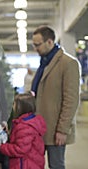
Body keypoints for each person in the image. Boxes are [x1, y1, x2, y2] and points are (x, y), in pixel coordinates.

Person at [31, 25, 81, 169]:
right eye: (34, 45)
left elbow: (71, 100)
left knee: (56, 165)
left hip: (55, 129)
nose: (35, 48)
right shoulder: (44, 63)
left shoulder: (68, 63)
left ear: (50, 42)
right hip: (38, 127)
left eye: (38, 44)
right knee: (35, 164)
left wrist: (62, 130)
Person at [0, 93, 47, 169]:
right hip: (32, 162)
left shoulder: (25, 127)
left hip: (24, 164)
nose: (12, 106)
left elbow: (20, 149)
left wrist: (3, 147)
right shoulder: (30, 122)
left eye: (14, 104)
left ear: (20, 108)